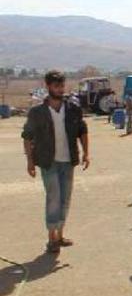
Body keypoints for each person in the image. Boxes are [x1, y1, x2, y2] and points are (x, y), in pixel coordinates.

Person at [22, 70, 90, 254]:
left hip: (68, 162)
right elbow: (27, 137)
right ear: (48, 86)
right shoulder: (38, 112)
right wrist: (30, 162)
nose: (60, 89)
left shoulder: (73, 109)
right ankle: (51, 238)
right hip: (48, 161)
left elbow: (82, 131)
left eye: (62, 86)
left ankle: (60, 235)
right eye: (56, 86)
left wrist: (86, 153)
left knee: (65, 198)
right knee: (53, 198)